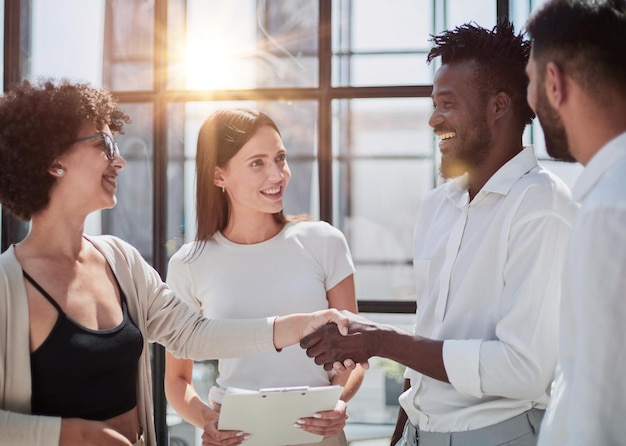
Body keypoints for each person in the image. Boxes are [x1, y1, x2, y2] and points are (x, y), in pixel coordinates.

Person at [0, 79, 350, 446]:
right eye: (103, 145)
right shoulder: (9, 287)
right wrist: (74, 435)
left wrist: (302, 325)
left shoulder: (120, 261)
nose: (118, 160)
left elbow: (193, 335)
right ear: (55, 162)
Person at [301, 22, 578, 446]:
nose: (433, 119)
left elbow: (523, 370)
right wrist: (401, 431)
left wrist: (380, 341)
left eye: (447, 104)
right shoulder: (436, 206)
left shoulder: (543, 205)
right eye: (434, 104)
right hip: (417, 433)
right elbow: (428, 334)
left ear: (498, 105)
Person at [164, 108, 364, 446]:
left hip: (318, 437)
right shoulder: (189, 263)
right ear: (218, 176)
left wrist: (340, 400)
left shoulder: (324, 242)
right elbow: (177, 379)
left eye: (280, 158)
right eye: (257, 163)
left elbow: (354, 354)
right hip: (237, 438)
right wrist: (207, 420)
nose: (278, 174)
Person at [524, 1, 626, 444]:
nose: (530, 102)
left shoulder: (608, 212)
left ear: (553, 82)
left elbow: (599, 408)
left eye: (529, 80)